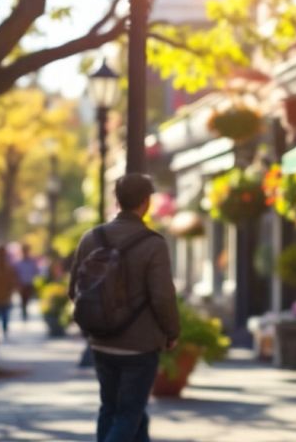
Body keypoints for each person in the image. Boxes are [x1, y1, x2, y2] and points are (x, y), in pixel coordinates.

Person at [69, 174, 180, 442]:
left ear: (116, 200)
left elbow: (74, 290)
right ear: (146, 202)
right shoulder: (154, 244)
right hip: (139, 346)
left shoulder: (90, 237)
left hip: (101, 342)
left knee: (112, 408)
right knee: (129, 413)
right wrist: (172, 332)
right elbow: (162, 296)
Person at [0, 244, 20, 340]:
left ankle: (5, 333)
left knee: (5, 318)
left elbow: (14, 281)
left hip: (6, 298)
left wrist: (12, 290)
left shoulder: (9, 268)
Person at [14, 243, 41, 322]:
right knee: (23, 299)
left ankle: (25, 311)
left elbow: (36, 271)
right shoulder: (18, 262)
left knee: (28, 298)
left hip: (29, 283)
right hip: (21, 284)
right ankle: (24, 312)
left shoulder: (32, 261)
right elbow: (15, 273)